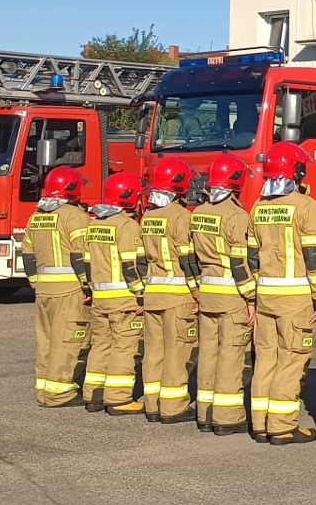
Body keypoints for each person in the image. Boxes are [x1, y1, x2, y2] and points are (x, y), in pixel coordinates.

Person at [247, 141, 316, 445]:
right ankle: (281, 425)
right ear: (298, 171)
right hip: (296, 296)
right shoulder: (305, 205)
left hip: (265, 295)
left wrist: (253, 296)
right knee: (292, 359)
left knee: (265, 358)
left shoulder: (258, 206)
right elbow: (312, 257)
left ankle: (260, 423)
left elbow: (251, 257)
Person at [192, 154, 257, 436]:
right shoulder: (235, 215)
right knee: (231, 354)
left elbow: (191, 259)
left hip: (207, 292)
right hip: (231, 293)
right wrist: (251, 297)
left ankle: (205, 412)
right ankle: (227, 416)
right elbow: (239, 262)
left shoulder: (199, 213)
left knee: (207, 353)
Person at [21, 167, 92, 408]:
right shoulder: (74, 216)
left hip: (43, 291)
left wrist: (35, 282)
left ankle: (44, 390)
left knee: (47, 342)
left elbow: (27, 254)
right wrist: (87, 287)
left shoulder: (36, 216)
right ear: (72, 189)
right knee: (68, 341)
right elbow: (79, 255)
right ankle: (60, 393)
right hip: (69, 290)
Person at [138, 159, 198, 424]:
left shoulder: (148, 217)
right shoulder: (182, 218)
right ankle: (173, 407)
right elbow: (189, 261)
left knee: (154, 350)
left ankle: (152, 403)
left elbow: (140, 260)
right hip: (178, 294)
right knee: (177, 351)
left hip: (153, 293)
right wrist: (197, 293)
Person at [84, 172, 148, 414]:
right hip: (123, 299)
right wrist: (141, 295)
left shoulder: (94, 223)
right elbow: (130, 266)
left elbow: (87, 263)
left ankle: (94, 395)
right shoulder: (126, 225)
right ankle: (119, 399)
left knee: (100, 345)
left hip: (100, 298)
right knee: (124, 347)